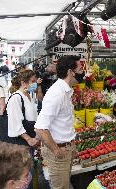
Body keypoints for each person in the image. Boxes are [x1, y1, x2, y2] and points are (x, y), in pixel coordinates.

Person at [35, 55, 84, 189]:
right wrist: (56, 151)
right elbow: (40, 128)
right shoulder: (57, 93)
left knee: (64, 184)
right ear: (70, 72)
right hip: (58, 150)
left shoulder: (65, 91)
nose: (82, 72)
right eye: (80, 68)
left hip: (65, 147)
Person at [7, 70, 39, 147]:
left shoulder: (30, 95)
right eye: (32, 81)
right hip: (22, 141)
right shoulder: (16, 97)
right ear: (23, 83)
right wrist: (28, 139)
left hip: (32, 135)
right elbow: (15, 121)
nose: (35, 84)